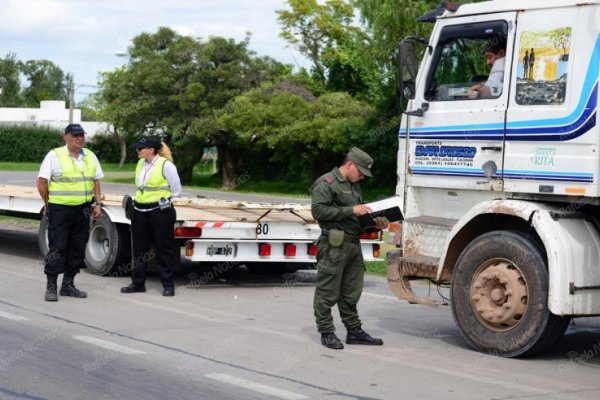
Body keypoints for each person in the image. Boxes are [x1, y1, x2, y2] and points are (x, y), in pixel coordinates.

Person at [311, 147, 388, 350]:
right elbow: (318, 211)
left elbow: (355, 219)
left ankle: (354, 331)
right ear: (350, 164)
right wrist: (352, 209)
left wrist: (374, 223)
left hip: (353, 245)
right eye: (361, 172)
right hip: (334, 246)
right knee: (327, 291)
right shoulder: (326, 182)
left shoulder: (354, 187)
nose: (362, 177)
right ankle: (327, 332)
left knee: (351, 292)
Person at [37, 123, 104, 302]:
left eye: (82, 135)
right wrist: (47, 203)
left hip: (83, 209)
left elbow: (96, 181)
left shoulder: (90, 156)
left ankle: (68, 285)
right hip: (60, 210)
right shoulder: (54, 155)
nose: (79, 138)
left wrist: (98, 204)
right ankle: (51, 285)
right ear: (66, 137)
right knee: (58, 247)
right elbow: (42, 181)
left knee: (77, 247)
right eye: (75, 135)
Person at [121, 136, 181, 296]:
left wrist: (164, 202)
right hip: (140, 211)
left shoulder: (166, 165)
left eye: (141, 148)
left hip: (160, 212)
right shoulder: (140, 163)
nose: (137, 150)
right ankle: (138, 283)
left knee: (163, 249)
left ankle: (168, 285)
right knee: (139, 250)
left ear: (151, 150)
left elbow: (176, 190)